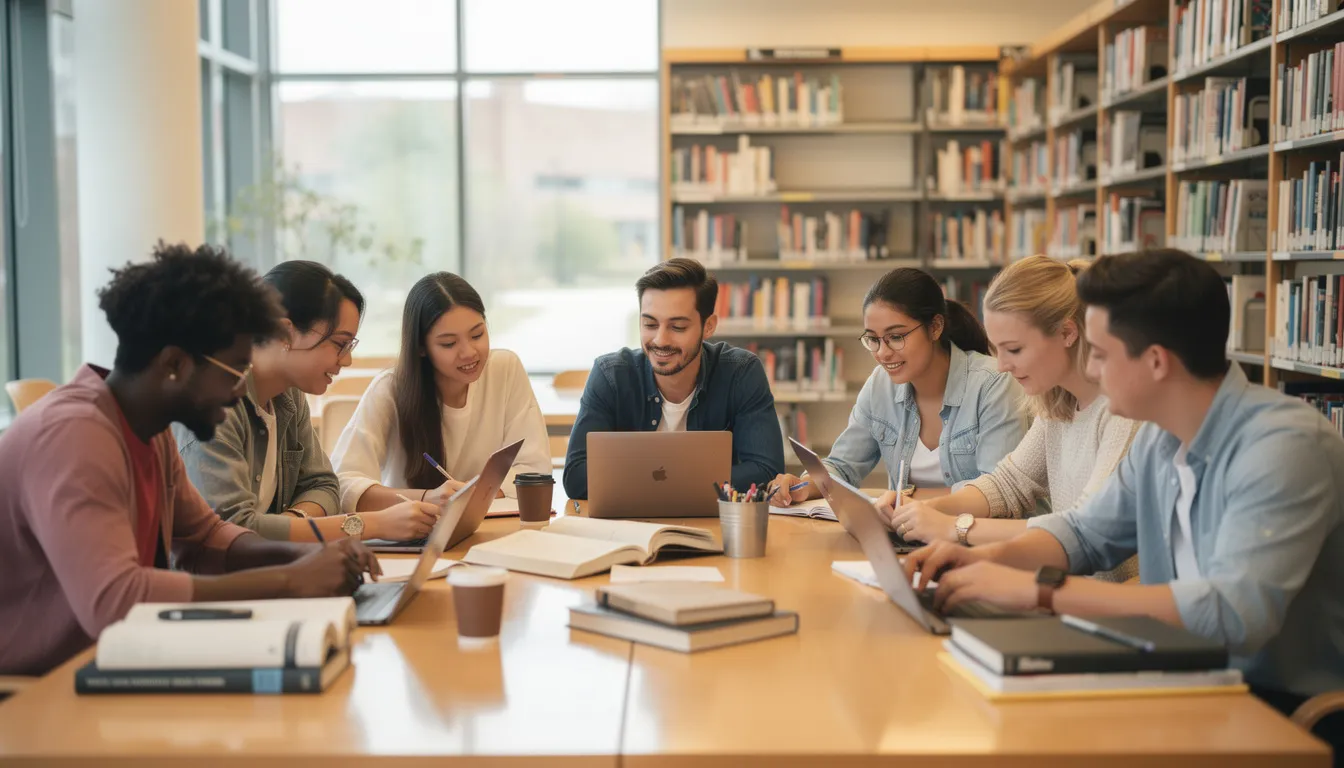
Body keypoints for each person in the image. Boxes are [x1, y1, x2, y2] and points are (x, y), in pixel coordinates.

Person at [904, 249, 1344, 756]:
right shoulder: (1162, 439)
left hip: (1277, 710)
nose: (1088, 367)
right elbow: (1086, 533)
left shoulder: (1283, 447)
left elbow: (1233, 614)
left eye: (1101, 354)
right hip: (1180, 676)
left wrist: (1039, 592)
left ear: (1156, 361)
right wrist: (978, 562)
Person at [0, 243, 381, 677]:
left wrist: (302, 558)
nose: (243, 389)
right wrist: (291, 580)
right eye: (236, 370)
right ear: (175, 365)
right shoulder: (74, 435)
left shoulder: (150, 430)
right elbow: (115, 600)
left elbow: (207, 536)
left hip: (105, 663)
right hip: (31, 692)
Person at [885, 256, 1141, 581]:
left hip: (1109, 604)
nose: (1002, 365)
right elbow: (1009, 483)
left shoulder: (1124, 412)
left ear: (1067, 333)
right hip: (1067, 593)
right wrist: (922, 512)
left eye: (1015, 350)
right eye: (996, 349)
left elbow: (1081, 528)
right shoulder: (1057, 400)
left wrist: (957, 527)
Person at [177, 261, 439, 543]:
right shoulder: (213, 402)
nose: (347, 360)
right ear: (284, 333)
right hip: (217, 585)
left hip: (275, 574)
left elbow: (325, 485)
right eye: (340, 344)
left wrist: (293, 524)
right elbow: (233, 533)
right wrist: (368, 524)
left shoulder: (288, 395)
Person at [770, 267, 1027, 509]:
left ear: (935, 327)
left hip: (977, 540)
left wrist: (907, 500)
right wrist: (803, 486)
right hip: (909, 538)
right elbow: (842, 466)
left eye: (896, 337)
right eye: (873, 339)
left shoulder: (994, 383)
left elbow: (998, 493)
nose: (883, 353)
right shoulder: (879, 385)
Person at [563, 257, 784, 499]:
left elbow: (766, 471)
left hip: (713, 528)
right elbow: (576, 477)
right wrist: (690, 483)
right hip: (628, 528)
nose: (660, 340)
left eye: (677, 327)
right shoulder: (610, 375)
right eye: (649, 323)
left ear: (708, 326)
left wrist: (647, 481)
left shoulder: (741, 373)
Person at [331, 272, 551, 513]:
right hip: (412, 537)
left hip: (490, 530)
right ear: (421, 347)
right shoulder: (390, 390)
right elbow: (343, 484)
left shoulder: (505, 369)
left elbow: (533, 469)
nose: (468, 353)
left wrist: (470, 494)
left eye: (477, 334)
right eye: (448, 343)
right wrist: (426, 498)